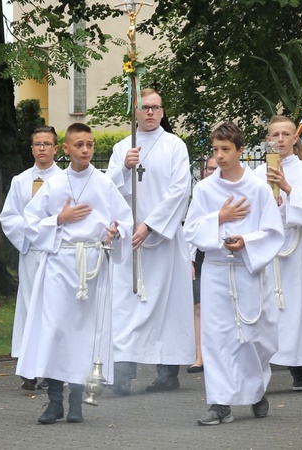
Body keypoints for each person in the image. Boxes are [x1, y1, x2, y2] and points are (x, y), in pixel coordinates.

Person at [16, 123, 133, 424]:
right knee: (56, 330)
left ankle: (77, 401)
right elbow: (30, 222)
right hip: (60, 263)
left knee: (84, 334)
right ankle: (54, 401)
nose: (85, 150)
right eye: (79, 145)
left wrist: (114, 232)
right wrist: (60, 218)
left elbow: (125, 221)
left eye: (90, 145)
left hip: (91, 266)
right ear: (66, 149)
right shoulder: (53, 185)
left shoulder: (104, 183)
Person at [184, 122, 284, 425]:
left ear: (240, 151)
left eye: (226, 149)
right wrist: (220, 217)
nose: (220, 155)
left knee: (253, 337)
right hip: (216, 270)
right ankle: (220, 403)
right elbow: (191, 228)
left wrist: (247, 242)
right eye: (216, 150)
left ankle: (255, 391)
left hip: (247, 271)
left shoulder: (257, 189)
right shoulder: (205, 189)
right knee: (216, 338)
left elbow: (273, 231)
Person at [106, 88, 194, 394]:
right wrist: (124, 169)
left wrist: (151, 225)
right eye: (144, 108)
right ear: (135, 112)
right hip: (130, 242)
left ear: (163, 111)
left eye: (156, 107)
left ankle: (167, 373)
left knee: (168, 307)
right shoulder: (121, 148)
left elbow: (180, 190)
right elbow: (108, 191)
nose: (151, 113)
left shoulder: (175, 146)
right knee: (126, 305)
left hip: (163, 242)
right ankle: (123, 372)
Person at [254, 115, 302, 391]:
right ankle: (261, 369)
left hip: (296, 247)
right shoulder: (254, 174)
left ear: (295, 138)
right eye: (275, 135)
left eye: (286, 134)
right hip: (268, 246)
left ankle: (299, 369)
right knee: (266, 307)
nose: (281, 140)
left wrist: (286, 188)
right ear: (268, 140)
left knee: (298, 307)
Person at [0, 125, 64, 391]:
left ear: (56, 148)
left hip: (56, 254)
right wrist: (29, 234)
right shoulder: (20, 180)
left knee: (52, 309)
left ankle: (53, 369)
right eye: (37, 144)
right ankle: (28, 368)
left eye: (47, 144)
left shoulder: (65, 179)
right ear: (31, 148)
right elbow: (9, 216)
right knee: (29, 308)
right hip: (31, 253)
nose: (42, 149)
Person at [188, 156, 218, 374]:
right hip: (201, 255)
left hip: (223, 254)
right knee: (198, 306)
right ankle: (199, 356)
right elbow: (191, 227)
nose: (211, 172)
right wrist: (189, 259)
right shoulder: (201, 191)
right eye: (208, 168)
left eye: (215, 168)